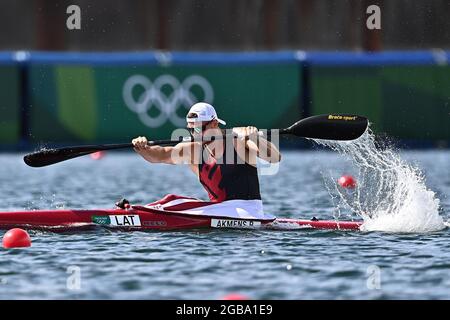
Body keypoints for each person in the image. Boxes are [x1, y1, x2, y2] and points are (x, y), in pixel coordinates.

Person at [131, 102, 281, 219]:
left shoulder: (238, 141)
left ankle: (141, 213)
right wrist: (143, 148)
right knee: (173, 199)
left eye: (198, 129)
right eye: (191, 129)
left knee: (176, 203)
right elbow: (161, 155)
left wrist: (255, 137)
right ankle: (135, 211)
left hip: (249, 211)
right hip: (219, 211)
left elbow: (275, 157)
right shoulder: (193, 150)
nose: (194, 134)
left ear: (214, 124)